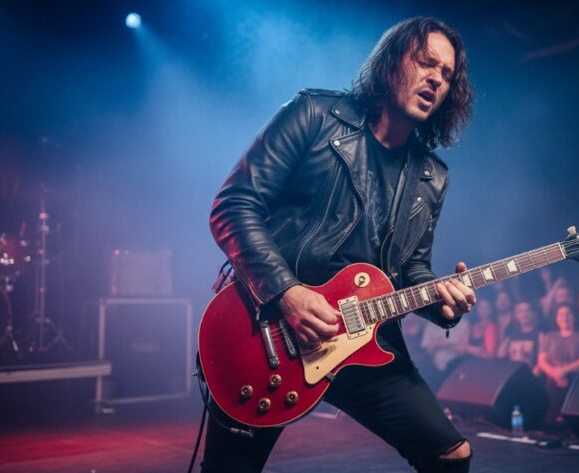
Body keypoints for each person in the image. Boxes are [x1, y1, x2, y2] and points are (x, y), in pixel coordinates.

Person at [204, 17, 476, 472]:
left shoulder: (432, 177)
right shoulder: (313, 115)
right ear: (391, 64)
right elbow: (233, 205)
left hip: (364, 337)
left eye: (447, 75)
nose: (435, 78)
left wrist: (441, 300)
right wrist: (287, 292)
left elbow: (411, 270)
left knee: (450, 454)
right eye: (426, 63)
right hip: (270, 332)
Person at [537, 304, 579, 423]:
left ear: (574, 317)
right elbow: (541, 360)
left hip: (575, 382)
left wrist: (564, 371)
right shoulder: (550, 336)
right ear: (556, 318)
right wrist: (555, 374)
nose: (564, 318)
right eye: (561, 314)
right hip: (552, 380)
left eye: (568, 314)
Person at [497, 301, 542, 370]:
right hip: (512, 374)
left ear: (533, 313)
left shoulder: (540, 335)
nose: (524, 314)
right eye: (520, 311)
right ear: (516, 315)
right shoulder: (511, 336)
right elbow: (500, 355)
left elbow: (542, 362)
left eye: (527, 311)